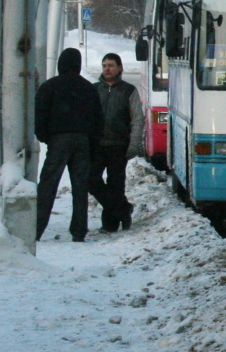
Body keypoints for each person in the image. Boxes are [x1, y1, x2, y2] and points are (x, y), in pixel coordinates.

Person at [34, 47, 104, 242]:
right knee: (80, 187)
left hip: (58, 139)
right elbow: (98, 120)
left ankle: (37, 229)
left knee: (48, 185)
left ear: (60, 64)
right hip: (83, 140)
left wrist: (46, 137)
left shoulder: (49, 86)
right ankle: (79, 231)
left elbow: (39, 116)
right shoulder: (89, 88)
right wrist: (92, 143)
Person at [88, 52, 144, 232]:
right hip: (96, 145)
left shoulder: (129, 90)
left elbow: (137, 119)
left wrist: (134, 144)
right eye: (104, 65)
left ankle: (110, 224)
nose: (107, 69)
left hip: (119, 145)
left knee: (116, 185)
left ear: (120, 68)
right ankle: (123, 208)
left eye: (111, 65)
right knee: (91, 180)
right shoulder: (94, 89)